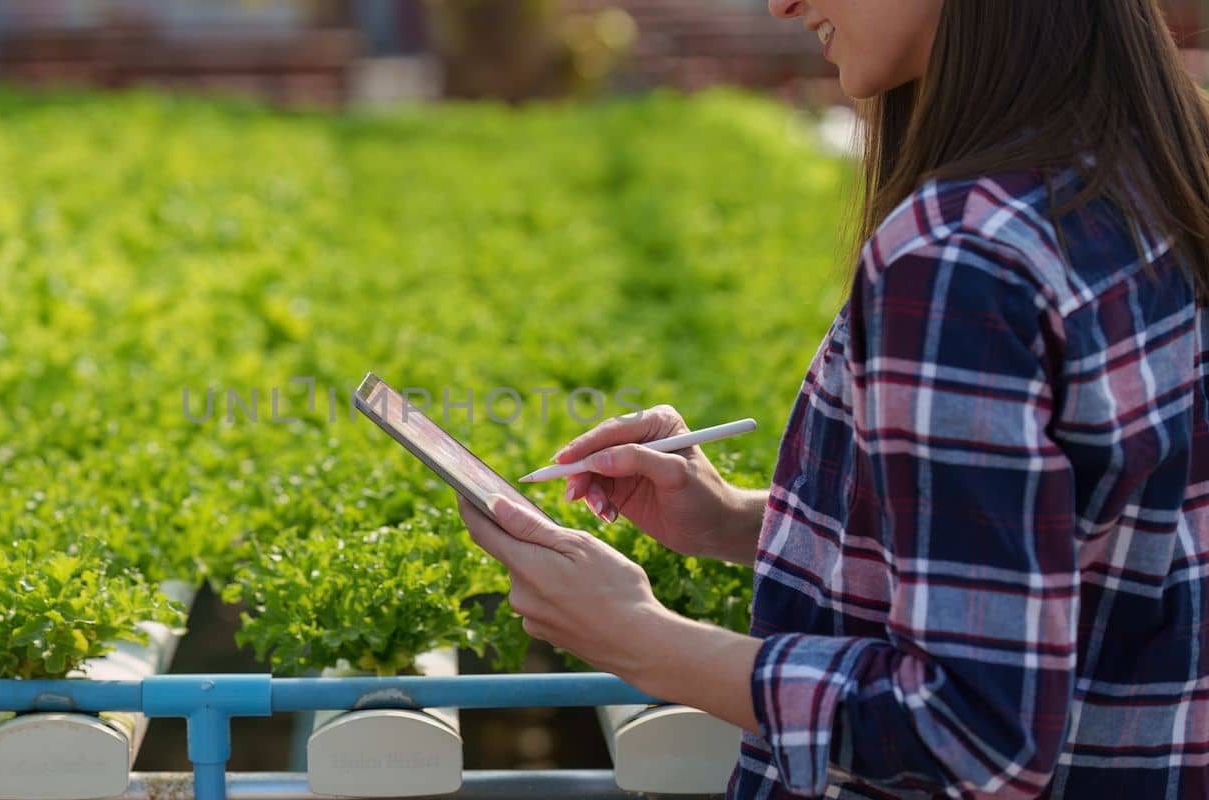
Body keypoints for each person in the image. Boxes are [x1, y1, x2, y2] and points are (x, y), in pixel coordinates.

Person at [457, 1, 1209, 797]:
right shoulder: (1148, 168)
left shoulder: (960, 256)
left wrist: (640, 637)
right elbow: (1087, 556)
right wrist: (740, 520)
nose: (782, 0)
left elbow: (969, 729)